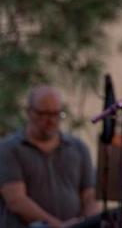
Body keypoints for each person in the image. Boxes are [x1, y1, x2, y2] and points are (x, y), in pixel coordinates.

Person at [0, 86, 98, 228]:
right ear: (29, 112)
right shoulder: (9, 149)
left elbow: (90, 195)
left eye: (56, 114)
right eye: (43, 114)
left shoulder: (78, 148)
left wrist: (89, 222)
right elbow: (16, 201)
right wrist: (58, 226)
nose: (50, 120)